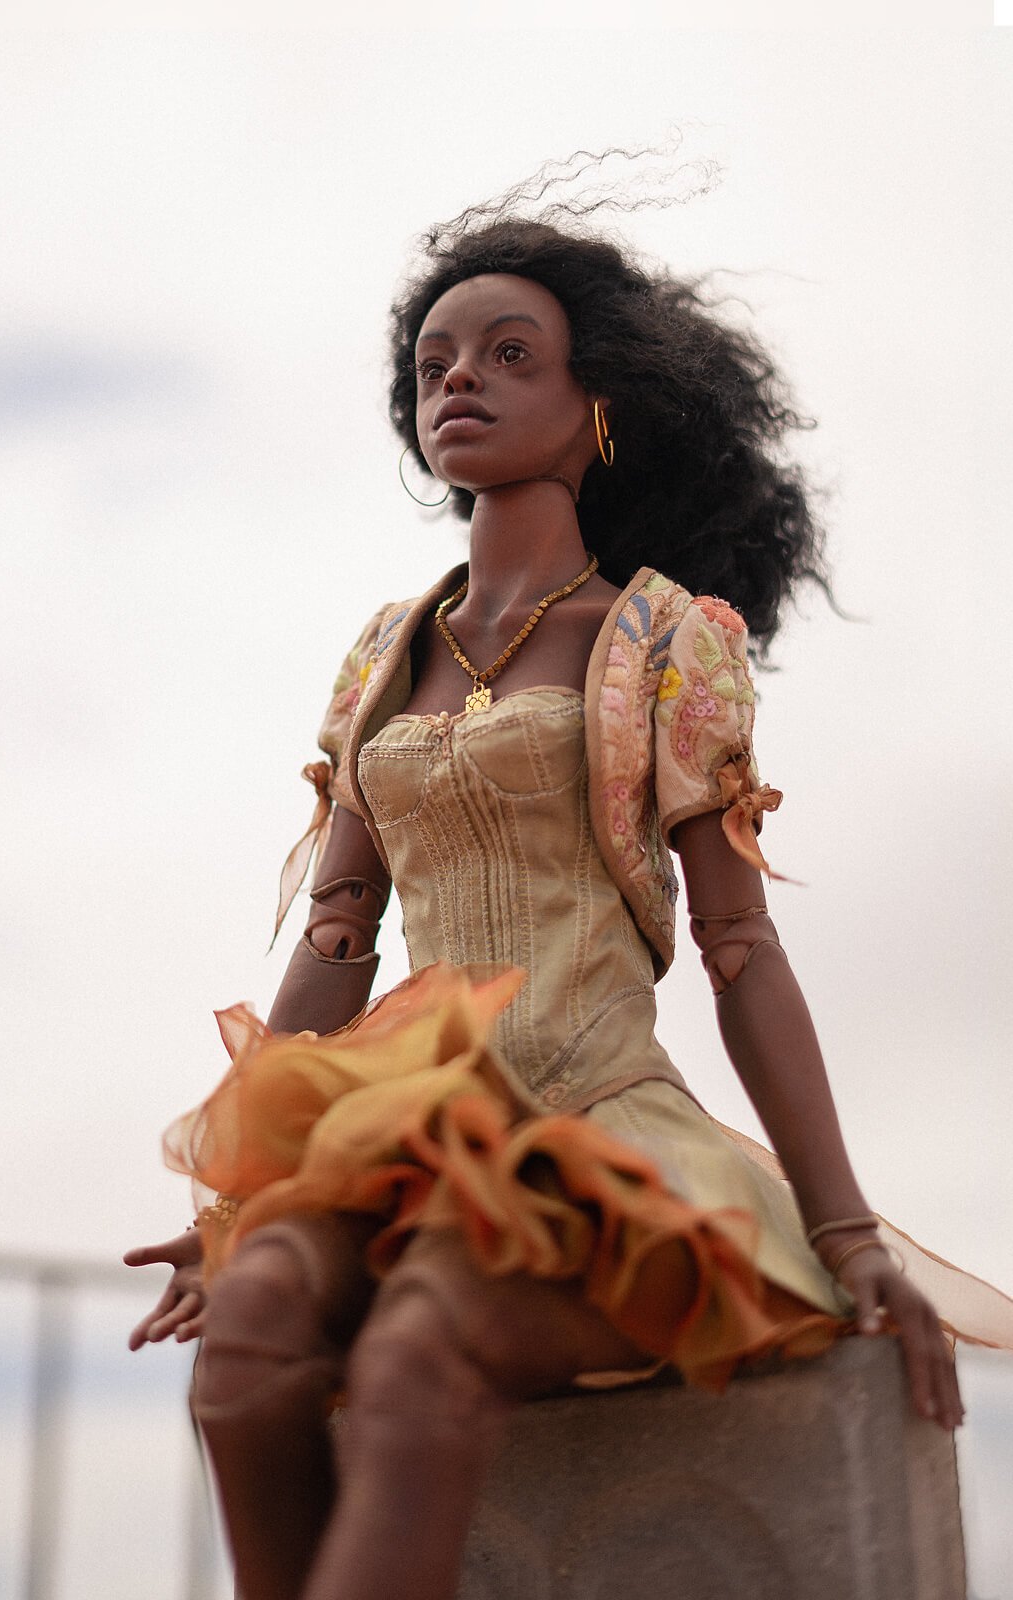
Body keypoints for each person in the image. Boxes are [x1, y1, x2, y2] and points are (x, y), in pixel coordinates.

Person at [126, 191, 990, 1600]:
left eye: (511, 353)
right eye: (435, 361)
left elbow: (743, 948)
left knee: (420, 1348)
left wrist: (845, 1231)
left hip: (597, 1123)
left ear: (601, 407)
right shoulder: (383, 652)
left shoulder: (663, 641)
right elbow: (339, 941)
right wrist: (242, 1190)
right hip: (402, 1123)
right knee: (248, 1341)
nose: (459, 377)